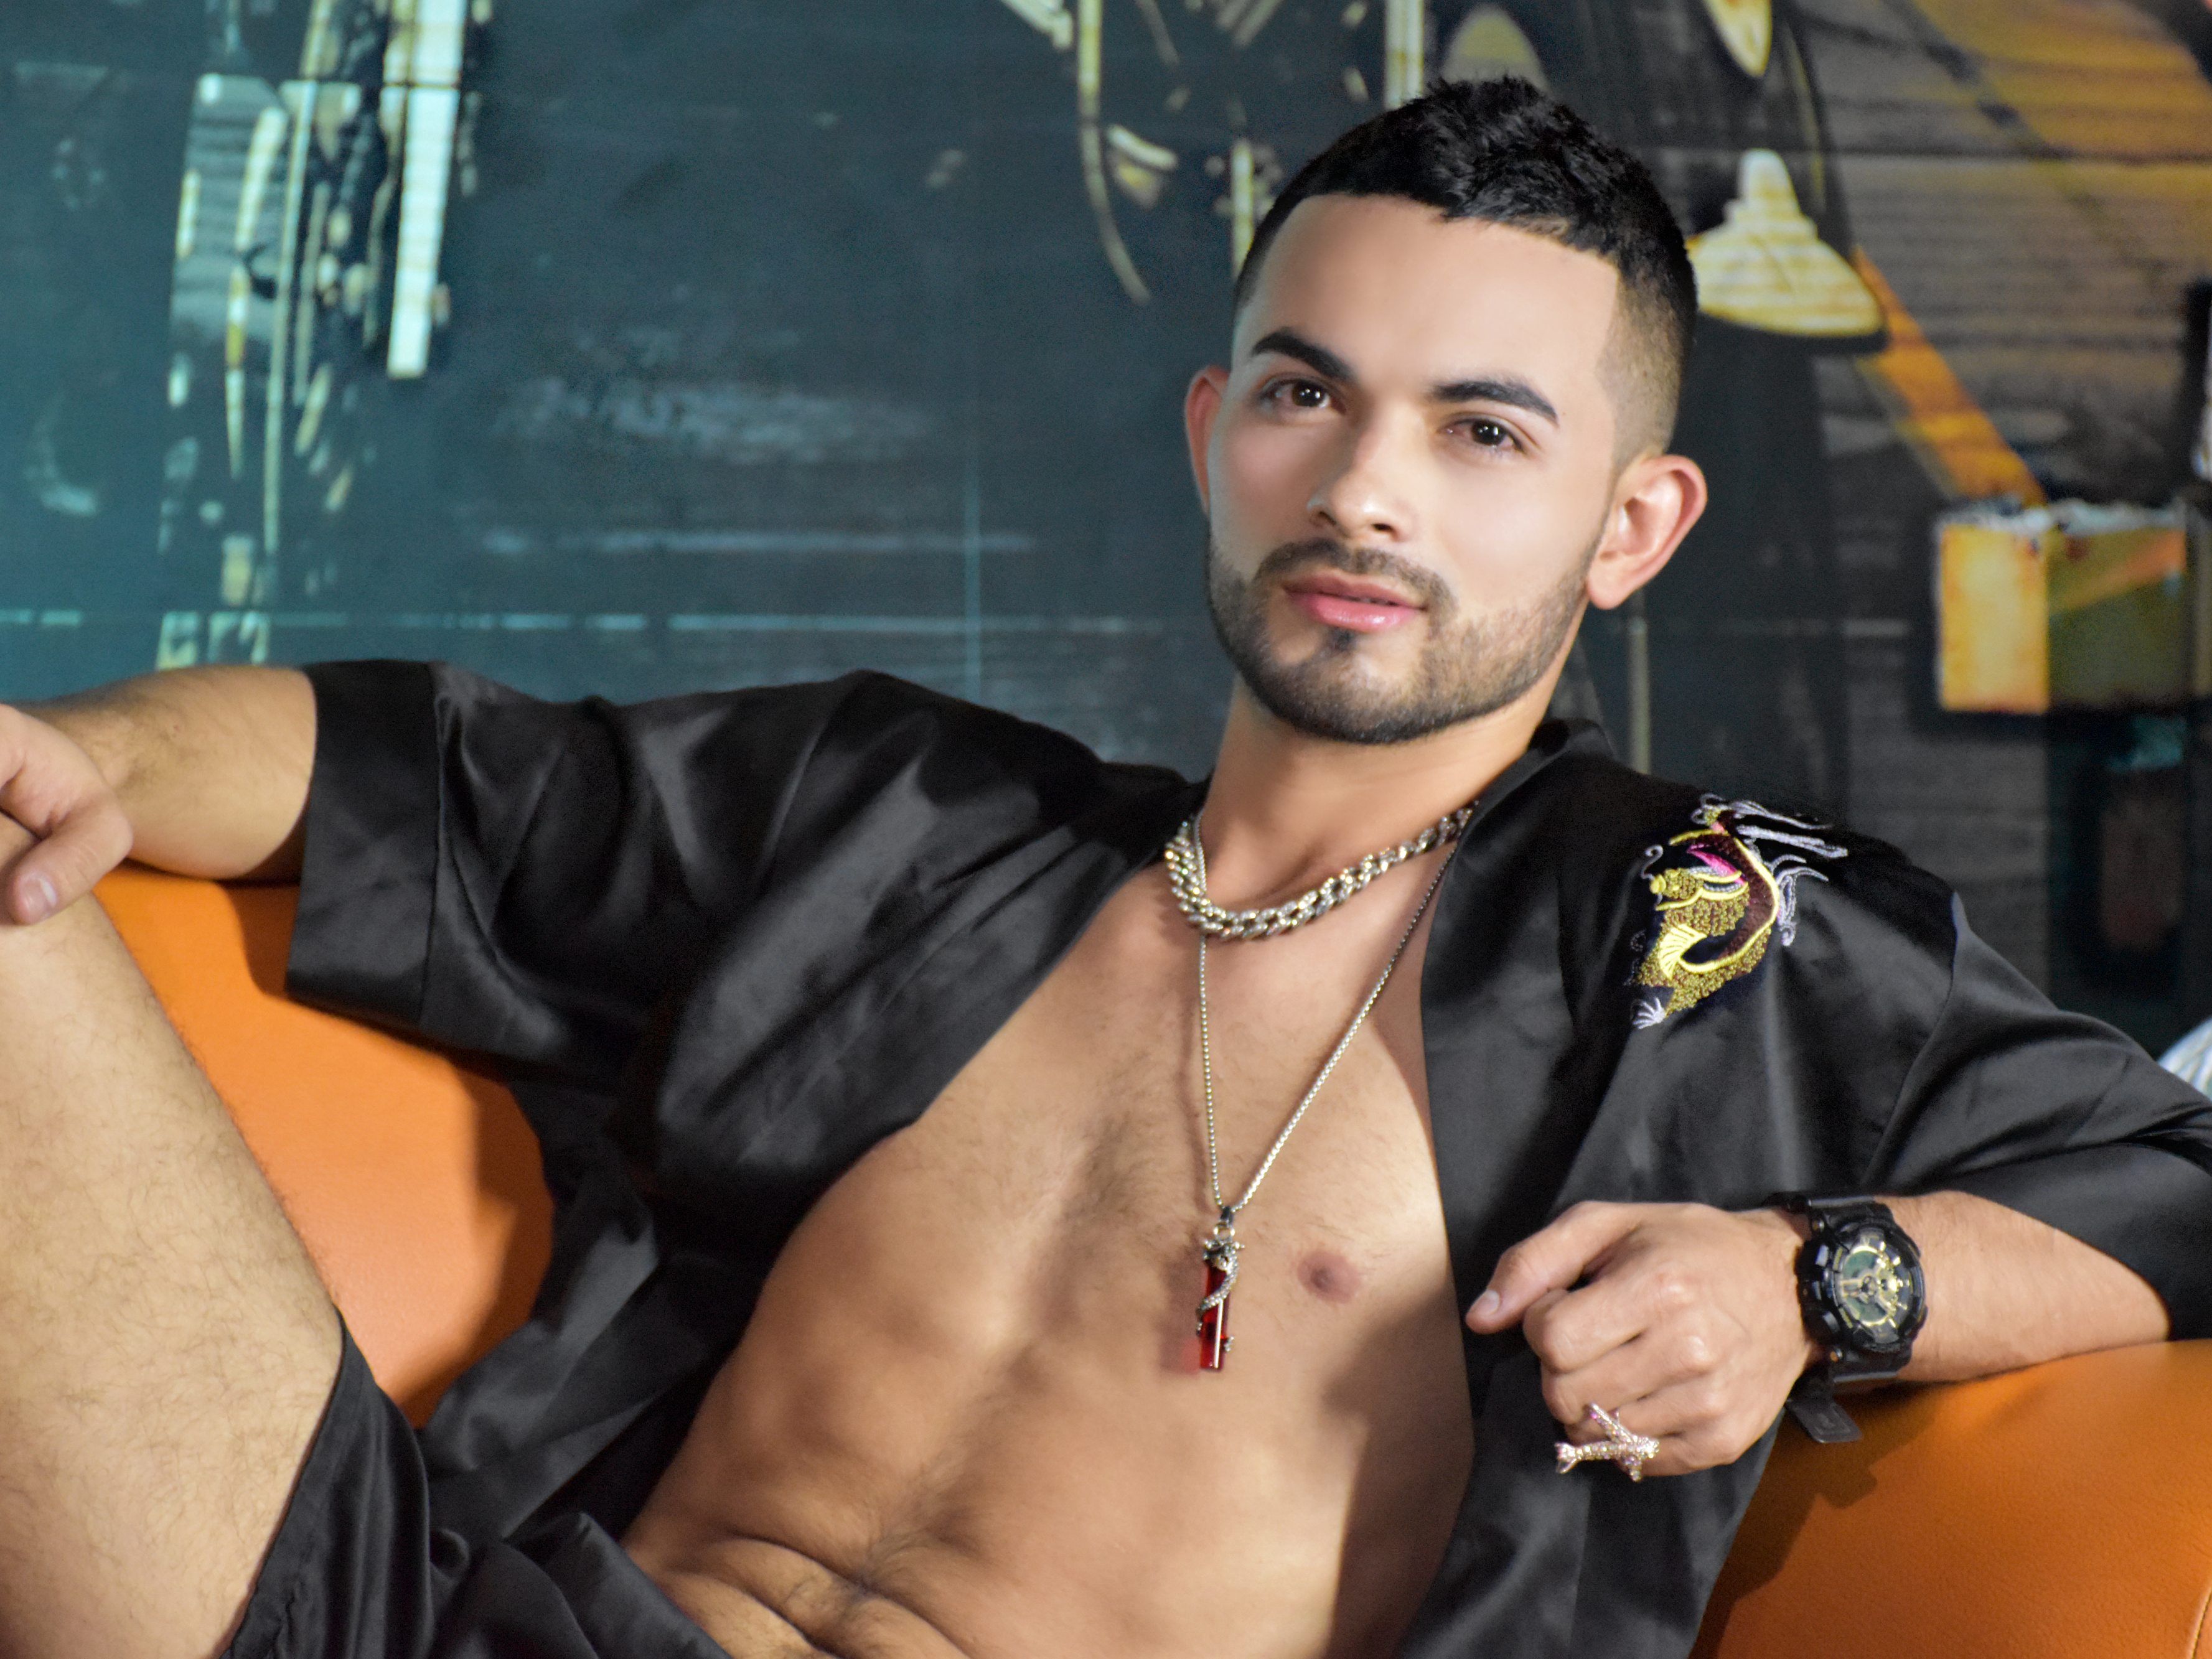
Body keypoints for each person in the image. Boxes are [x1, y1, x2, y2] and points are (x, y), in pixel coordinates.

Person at [0, 78, 2206, 1659]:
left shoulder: (1714, 941)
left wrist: (1807, 1282)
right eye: (1304, 396)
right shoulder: (906, 812)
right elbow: (416, 769)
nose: (1363, 491)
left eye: (1480, 430)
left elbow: (2180, 1187)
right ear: (1210, 434)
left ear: (1631, 526)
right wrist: (84, 757)